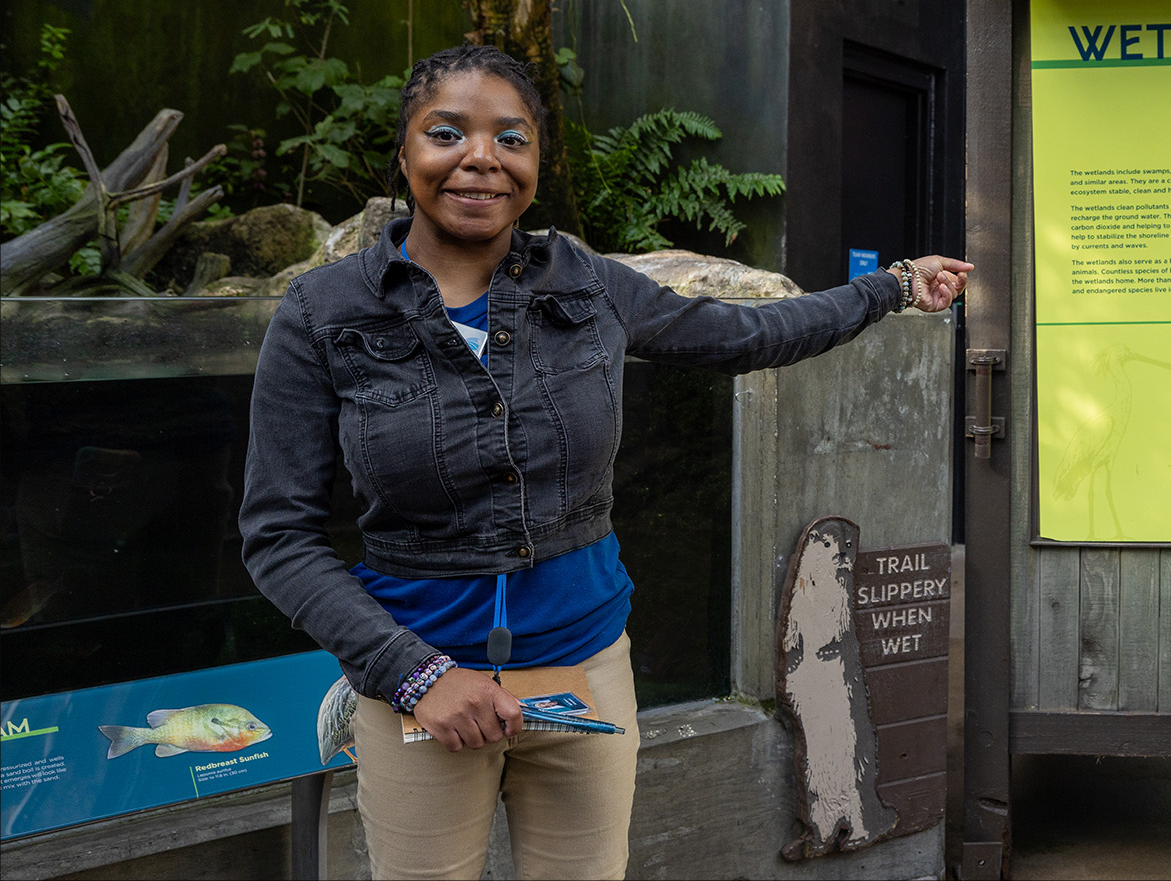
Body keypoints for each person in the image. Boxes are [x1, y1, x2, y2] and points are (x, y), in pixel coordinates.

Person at [239, 43, 970, 879]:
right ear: (405, 154)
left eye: (511, 139)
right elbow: (277, 535)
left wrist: (892, 287)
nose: (481, 158)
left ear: (537, 165)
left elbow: (748, 334)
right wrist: (415, 675)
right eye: (448, 134)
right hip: (419, 690)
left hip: (584, 674)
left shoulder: (584, 282)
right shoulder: (323, 312)